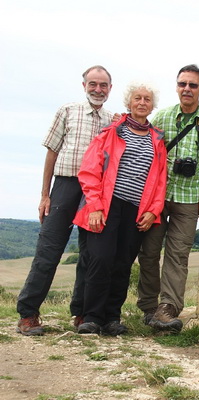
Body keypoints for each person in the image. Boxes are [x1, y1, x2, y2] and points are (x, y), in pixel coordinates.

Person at [16, 65, 114, 336]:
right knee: (49, 251)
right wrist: (45, 194)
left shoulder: (112, 120)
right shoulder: (68, 110)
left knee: (89, 254)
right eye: (93, 84)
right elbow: (51, 152)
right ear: (84, 85)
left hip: (94, 191)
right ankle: (28, 313)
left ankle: (81, 313)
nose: (98, 89)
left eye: (103, 85)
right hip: (66, 184)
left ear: (110, 89)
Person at [73, 82, 167, 335]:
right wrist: (94, 206)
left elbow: (160, 180)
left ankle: (112, 318)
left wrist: (154, 210)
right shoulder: (111, 132)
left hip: (136, 210)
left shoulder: (157, 139)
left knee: (122, 264)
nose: (142, 102)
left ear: (152, 105)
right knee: (100, 260)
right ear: (129, 102)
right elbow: (89, 171)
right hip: (106, 206)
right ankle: (91, 317)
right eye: (137, 98)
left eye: (147, 99)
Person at [137, 64, 199, 332]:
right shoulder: (162, 117)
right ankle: (149, 306)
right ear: (176, 86)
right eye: (183, 84)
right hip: (159, 197)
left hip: (190, 197)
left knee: (178, 255)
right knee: (148, 252)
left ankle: (168, 308)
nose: (187, 89)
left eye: (193, 85)